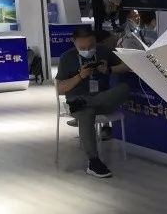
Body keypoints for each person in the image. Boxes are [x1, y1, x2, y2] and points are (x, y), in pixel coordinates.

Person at [56, 26, 131, 178]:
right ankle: (94, 161)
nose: (87, 50)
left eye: (91, 46)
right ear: (74, 43)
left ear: (95, 41)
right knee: (86, 113)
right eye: (82, 48)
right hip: (77, 101)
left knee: (124, 88)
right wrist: (80, 77)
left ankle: (85, 102)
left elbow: (126, 66)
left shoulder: (103, 51)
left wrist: (109, 70)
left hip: (101, 100)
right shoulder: (66, 58)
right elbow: (60, 89)